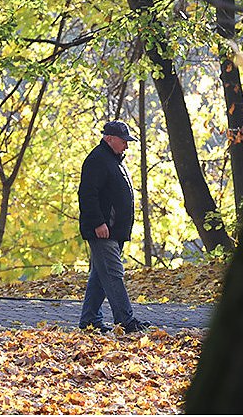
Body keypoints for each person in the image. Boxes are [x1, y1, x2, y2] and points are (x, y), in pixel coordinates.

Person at [77, 120, 152, 333]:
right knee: (113, 273)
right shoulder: (97, 160)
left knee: (100, 276)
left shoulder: (114, 160)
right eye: (123, 141)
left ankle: (90, 320)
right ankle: (126, 321)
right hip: (103, 230)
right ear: (109, 139)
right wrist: (98, 223)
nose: (126, 145)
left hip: (114, 230)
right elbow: (87, 195)